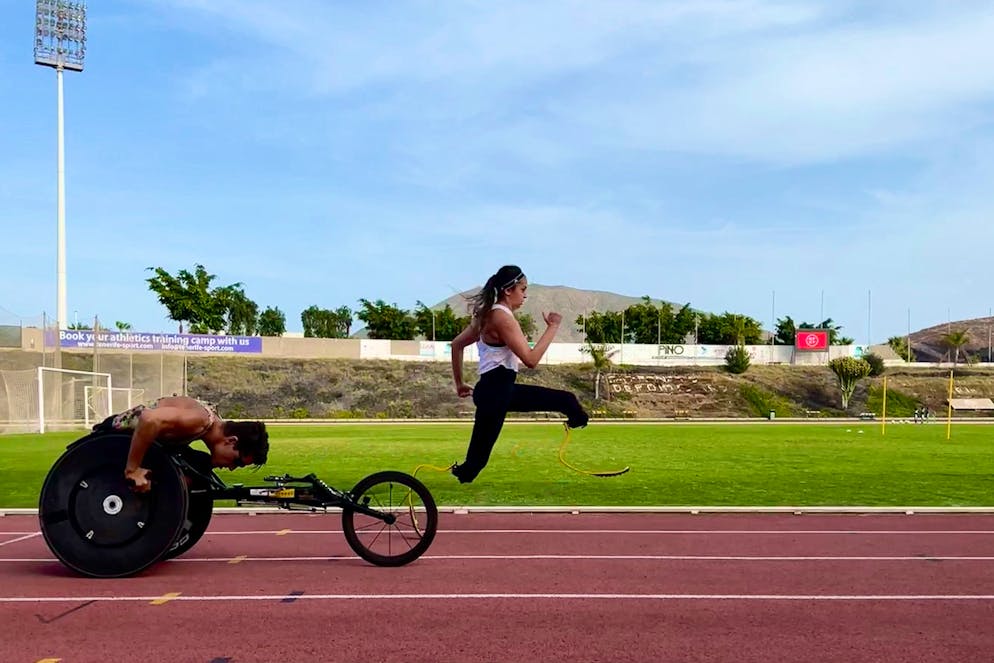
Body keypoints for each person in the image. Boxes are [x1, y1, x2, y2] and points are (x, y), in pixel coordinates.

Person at [449, 265, 589, 483]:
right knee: (567, 400)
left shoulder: (487, 315)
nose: (525, 295)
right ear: (508, 290)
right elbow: (531, 360)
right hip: (497, 391)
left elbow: (456, 345)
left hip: (491, 392)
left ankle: (462, 473)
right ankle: (577, 418)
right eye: (522, 289)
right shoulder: (502, 317)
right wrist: (553, 326)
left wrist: (459, 384)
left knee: (473, 466)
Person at [92, 395, 269, 492]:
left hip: (131, 442)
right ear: (231, 441)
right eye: (237, 462)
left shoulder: (210, 424)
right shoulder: (201, 420)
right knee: (198, 466)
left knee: (200, 466)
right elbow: (150, 419)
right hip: (110, 438)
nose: (232, 468)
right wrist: (132, 469)